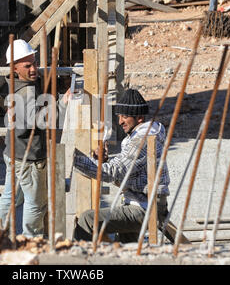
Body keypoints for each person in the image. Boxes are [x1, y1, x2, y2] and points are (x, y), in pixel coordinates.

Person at [0, 39, 70, 238]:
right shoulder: (24, 93)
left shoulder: (20, 84)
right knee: (36, 203)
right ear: (14, 68)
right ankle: (31, 240)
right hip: (29, 157)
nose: (34, 68)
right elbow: (41, 121)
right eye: (28, 65)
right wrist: (62, 104)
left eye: (34, 62)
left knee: (10, 198)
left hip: (14, 153)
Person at [72, 88, 170, 243]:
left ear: (139, 118)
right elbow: (126, 167)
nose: (120, 122)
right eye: (119, 116)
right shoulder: (140, 135)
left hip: (144, 207)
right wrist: (103, 162)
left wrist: (74, 159)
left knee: (88, 220)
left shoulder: (143, 139)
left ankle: (83, 262)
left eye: (125, 117)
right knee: (127, 250)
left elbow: (114, 172)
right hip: (139, 203)